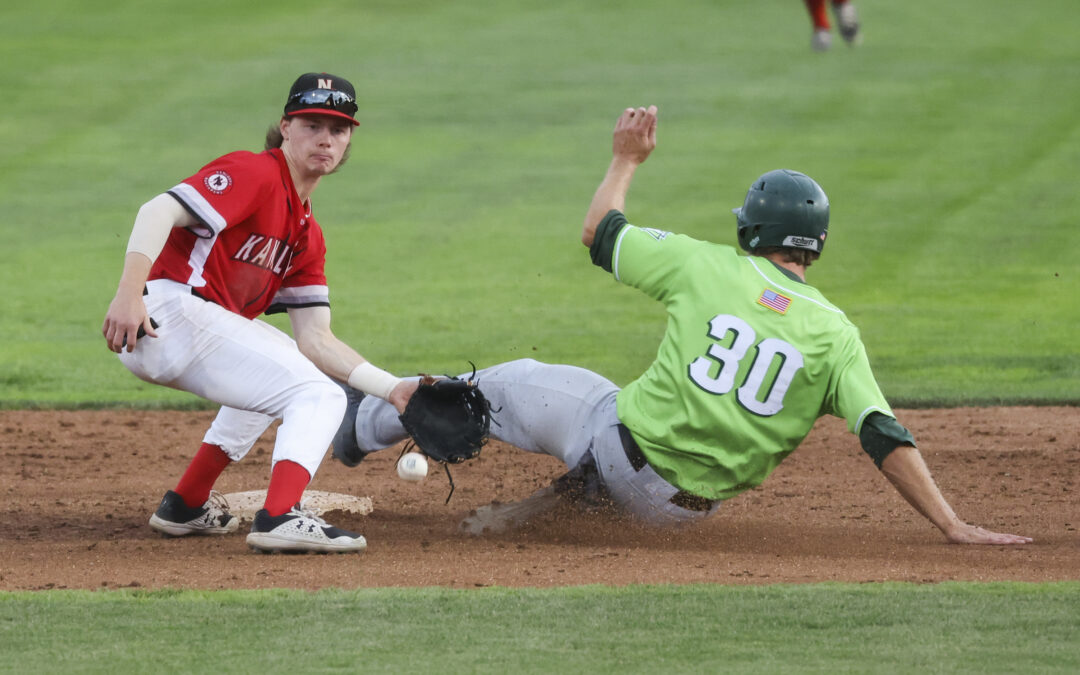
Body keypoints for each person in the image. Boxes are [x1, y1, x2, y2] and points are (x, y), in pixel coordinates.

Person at [334, 106, 1032, 547]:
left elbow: (599, 230)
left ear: (753, 227)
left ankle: (364, 424)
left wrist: (626, 159)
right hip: (681, 515)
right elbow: (884, 434)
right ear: (815, 243)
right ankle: (555, 506)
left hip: (615, 445)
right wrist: (952, 523)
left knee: (509, 383)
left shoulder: (710, 266)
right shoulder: (837, 334)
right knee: (615, 434)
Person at [102, 72, 420, 554]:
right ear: (286, 126)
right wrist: (129, 294)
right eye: (313, 124)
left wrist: (392, 388)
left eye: (338, 129)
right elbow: (156, 211)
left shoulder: (307, 233)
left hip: (191, 327)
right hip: (165, 314)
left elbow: (317, 340)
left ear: (350, 139)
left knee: (292, 365)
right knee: (317, 394)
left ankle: (185, 505)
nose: (325, 139)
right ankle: (279, 517)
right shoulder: (256, 173)